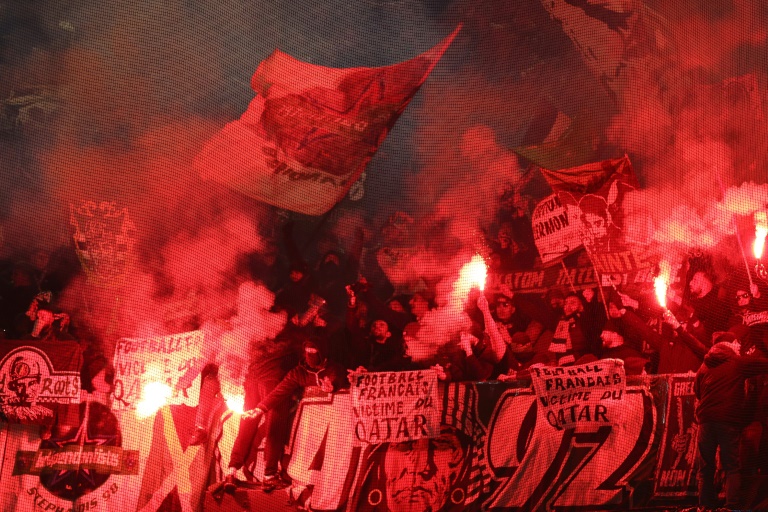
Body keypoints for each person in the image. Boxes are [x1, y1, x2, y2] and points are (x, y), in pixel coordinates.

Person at [231, 337, 348, 493]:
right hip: (304, 421)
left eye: (314, 351)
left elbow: (338, 376)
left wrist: (332, 384)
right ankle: (261, 474)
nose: (310, 355)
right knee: (274, 424)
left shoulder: (332, 367)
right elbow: (280, 391)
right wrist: (259, 409)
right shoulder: (298, 372)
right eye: (307, 352)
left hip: (328, 426)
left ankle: (244, 472)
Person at [693, 332, 768, 509]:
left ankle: (704, 506)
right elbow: (764, 365)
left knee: (705, 467)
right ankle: (731, 506)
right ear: (732, 343)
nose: (739, 347)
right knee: (731, 466)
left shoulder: (704, 365)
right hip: (728, 420)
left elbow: (697, 391)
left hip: (705, 421)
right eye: (737, 343)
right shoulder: (737, 362)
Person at [0, 356, 54, 424]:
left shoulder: (47, 414)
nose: (27, 392)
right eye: (20, 385)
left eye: (32, 383)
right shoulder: (5, 412)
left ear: (40, 384)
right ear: (14, 387)